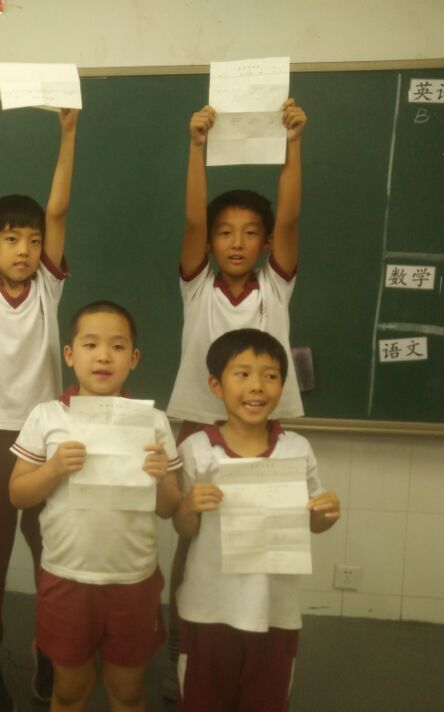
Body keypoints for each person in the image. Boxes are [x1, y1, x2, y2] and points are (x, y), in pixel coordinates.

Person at [163, 98, 308, 697]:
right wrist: (196, 147)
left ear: (266, 242)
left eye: (251, 233)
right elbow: (192, 223)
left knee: (260, 527)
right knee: (192, 531)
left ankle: (256, 627)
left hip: (263, 427)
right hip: (200, 418)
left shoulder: (275, 283)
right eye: (225, 233)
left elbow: (290, 221)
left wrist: (294, 143)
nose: (237, 242)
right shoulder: (198, 285)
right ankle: (184, 640)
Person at [0, 79, 79, 710]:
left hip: (46, 436)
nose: (25, 249)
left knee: (56, 550)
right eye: (11, 239)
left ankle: (52, 650)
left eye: (31, 241)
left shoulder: (48, 288)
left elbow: (57, 213)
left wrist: (68, 134)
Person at [8, 301, 181, 712]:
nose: (103, 356)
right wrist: (52, 469)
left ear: (133, 359)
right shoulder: (47, 416)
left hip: (133, 578)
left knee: (127, 691)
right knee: (69, 691)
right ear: (70, 355)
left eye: (118, 347)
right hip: (67, 576)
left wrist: (161, 478)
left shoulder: (153, 422)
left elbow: (169, 508)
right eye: (90, 345)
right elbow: (17, 494)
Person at [174, 328, 340, 711]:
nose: (257, 387)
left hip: (275, 610)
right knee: (203, 702)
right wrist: (189, 506)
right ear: (216, 385)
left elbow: (314, 522)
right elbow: (183, 528)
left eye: (270, 376)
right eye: (242, 374)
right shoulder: (197, 449)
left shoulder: (296, 449)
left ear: (282, 385)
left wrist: (326, 513)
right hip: (209, 608)